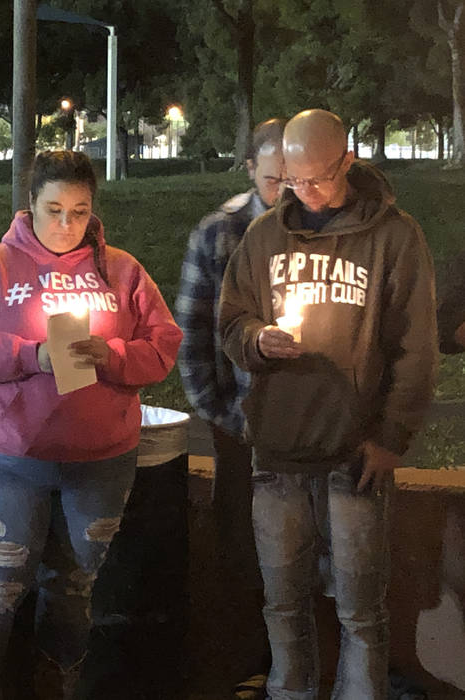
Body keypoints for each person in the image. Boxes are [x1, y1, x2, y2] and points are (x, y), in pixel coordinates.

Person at [0, 150, 183, 699]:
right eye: (53, 209)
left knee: (73, 590)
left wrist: (113, 354)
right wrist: (34, 355)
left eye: (79, 211)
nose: (66, 225)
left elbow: (163, 347)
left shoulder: (121, 270)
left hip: (100, 461)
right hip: (6, 458)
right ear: (29, 204)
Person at [219, 109, 438, 699]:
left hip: (354, 453)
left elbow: (416, 347)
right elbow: (232, 320)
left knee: (361, 611)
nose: (305, 193)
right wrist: (257, 341)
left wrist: (391, 436)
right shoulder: (265, 236)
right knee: (282, 602)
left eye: (318, 178)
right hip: (278, 453)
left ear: (347, 161)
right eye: (292, 180)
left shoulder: (395, 238)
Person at [174, 118, 285, 697]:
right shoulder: (219, 233)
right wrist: (221, 414)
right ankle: (244, 666)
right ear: (250, 170)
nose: (286, 195)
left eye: (296, 181)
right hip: (241, 425)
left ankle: (291, 667)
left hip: (310, 430)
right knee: (241, 545)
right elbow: (191, 335)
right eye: (274, 182)